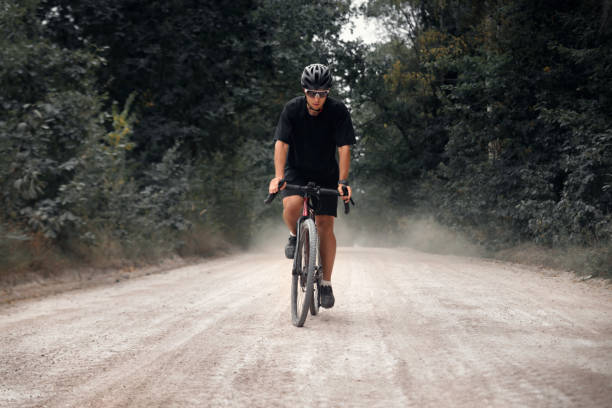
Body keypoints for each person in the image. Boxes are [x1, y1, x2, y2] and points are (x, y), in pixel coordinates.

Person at [268, 63, 356, 309]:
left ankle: (326, 283)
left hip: (326, 173)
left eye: (322, 93)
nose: (317, 98)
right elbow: (281, 144)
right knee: (293, 204)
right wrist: (277, 176)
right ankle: (295, 235)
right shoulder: (292, 109)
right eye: (312, 93)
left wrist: (343, 181)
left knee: (325, 224)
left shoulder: (338, 111)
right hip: (296, 170)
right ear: (304, 90)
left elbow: (344, 147)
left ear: (328, 92)